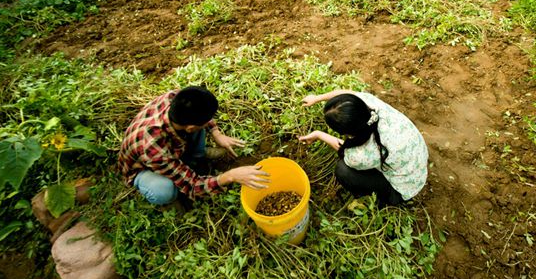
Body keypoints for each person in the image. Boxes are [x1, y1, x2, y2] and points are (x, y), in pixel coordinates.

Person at [119, 86, 269, 206]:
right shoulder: (154, 148)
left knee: (198, 129)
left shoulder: (178, 98)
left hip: (170, 144)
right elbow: (193, 185)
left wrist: (217, 134)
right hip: (143, 168)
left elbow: (202, 113)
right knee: (164, 191)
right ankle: (166, 197)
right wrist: (230, 176)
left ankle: (198, 156)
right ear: (190, 127)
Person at [298, 90, 428, 206]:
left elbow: (343, 150)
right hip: (417, 156)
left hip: (405, 187)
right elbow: (345, 95)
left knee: (343, 170)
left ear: (348, 134)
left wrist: (319, 135)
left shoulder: (361, 155)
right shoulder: (368, 103)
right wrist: (316, 98)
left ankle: (383, 200)